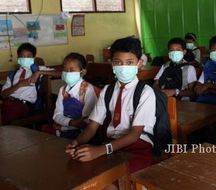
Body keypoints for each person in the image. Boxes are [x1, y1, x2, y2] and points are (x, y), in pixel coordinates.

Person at [65, 37, 156, 177]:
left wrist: (101, 150)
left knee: (111, 180)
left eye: (129, 62)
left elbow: (134, 135)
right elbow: (92, 126)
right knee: (80, 171)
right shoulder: (107, 91)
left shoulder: (145, 92)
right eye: (118, 62)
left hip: (138, 148)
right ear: (111, 64)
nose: (123, 67)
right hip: (111, 146)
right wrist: (76, 143)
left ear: (140, 63)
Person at [1, 42, 60, 124]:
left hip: (25, 105)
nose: (25, 58)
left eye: (28, 56)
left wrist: (38, 72)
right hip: (8, 103)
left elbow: (60, 73)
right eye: (22, 56)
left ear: (33, 58)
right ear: (18, 58)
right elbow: (3, 94)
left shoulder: (36, 69)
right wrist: (18, 85)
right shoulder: (12, 74)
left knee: (9, 115)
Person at [53, 53, 97, 139]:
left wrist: (63, 126)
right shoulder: (62, 90)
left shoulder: (88, 89)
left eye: (72, 70)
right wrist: (71, 122)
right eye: (65, 70)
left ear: (82, 72)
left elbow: (85, 122)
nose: (67, 73)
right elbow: (57, 115)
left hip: (83, 135)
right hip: (66, 129)